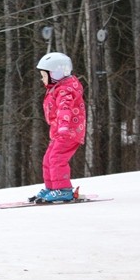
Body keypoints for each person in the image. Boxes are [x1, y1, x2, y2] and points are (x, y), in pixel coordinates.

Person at [30, 52, 86, 203]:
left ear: (55, 74)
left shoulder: (65, 91)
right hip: (59, 133)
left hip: (68, 132)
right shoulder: (57, 87)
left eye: (43, 75)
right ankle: (52, 188)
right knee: (48, 158)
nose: (42, 79)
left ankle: (63, 190)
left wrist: (63, 127)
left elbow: (65, 109)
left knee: (56, 158)